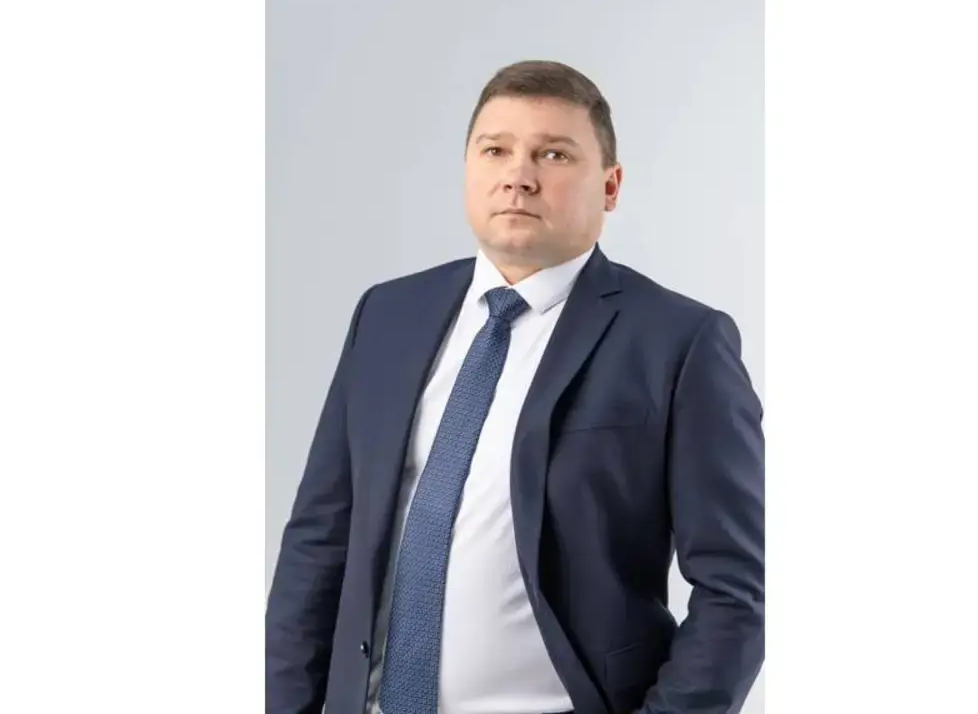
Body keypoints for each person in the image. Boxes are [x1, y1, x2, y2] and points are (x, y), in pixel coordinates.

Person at [266, 59, 764, 714]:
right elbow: (318, 542)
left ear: (610, 186)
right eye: (495, 150)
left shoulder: (679, 341)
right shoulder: (388, 315)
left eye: (554, 154)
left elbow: (737, 591)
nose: (519, 176)